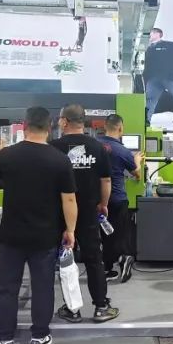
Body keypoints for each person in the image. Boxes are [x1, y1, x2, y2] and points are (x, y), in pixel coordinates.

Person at [0, 106, 77, 344]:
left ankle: (5, 340)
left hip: (11, 234)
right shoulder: (59, 159)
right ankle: (39, 337)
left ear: (24, 126)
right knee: (43, 286)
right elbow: (69, 199)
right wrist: (70, 230)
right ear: (50, 127)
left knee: (7, 288)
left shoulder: (8, 155)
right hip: (45, 236)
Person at [50, 104, 120, 323]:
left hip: (60, 214)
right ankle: (101, 306)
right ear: (84, 121)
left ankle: (72, 310)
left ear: (64, 121)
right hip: (89, 211)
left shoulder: (53, 147)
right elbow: (106, 180)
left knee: (66, 260)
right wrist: (103, 204)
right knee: (94, 259)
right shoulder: (98, 147)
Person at [96, 114, 142, 282]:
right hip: (117, 199)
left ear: (104, 127)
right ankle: (125, 258)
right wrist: (137, 161)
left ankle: (107, 268)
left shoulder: (94, 146)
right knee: (120, 234)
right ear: (121, 128)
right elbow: (137, 174)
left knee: (104, 235)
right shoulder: (123, 151)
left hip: (96, 200)